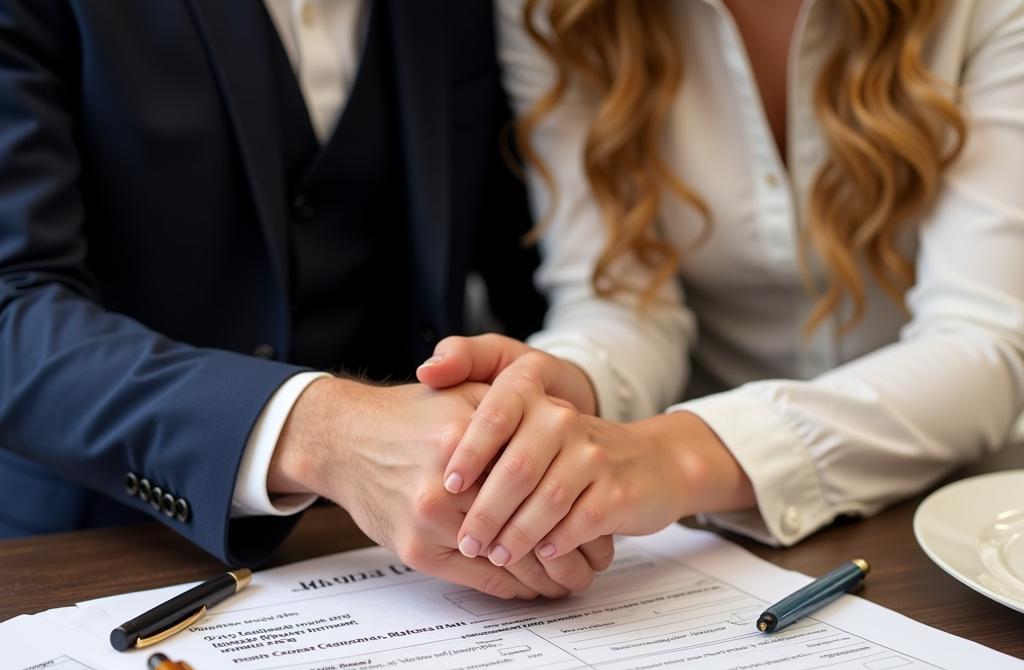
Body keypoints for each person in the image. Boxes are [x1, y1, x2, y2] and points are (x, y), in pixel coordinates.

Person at [0, 0, 611, 600]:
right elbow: (12, 310)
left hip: (429, 563)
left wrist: (534, 417)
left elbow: (543, 270)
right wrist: (318, 432)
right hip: (101, 553)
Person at [417, 0, 1024, 571]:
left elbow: (986, 340)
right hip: (725, 536)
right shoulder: (563, 13)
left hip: (976, 515)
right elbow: (622, 300)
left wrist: (675, 454)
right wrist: (561, 388)